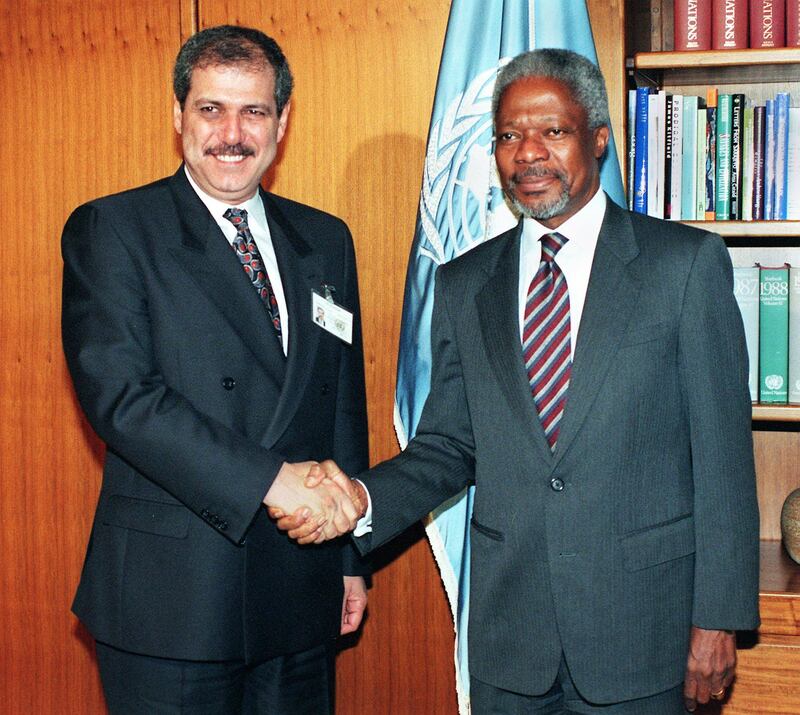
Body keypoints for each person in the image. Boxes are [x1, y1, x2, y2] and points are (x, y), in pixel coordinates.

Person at [272, 49, 760, 714]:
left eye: (552, 131)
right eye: (507, 135)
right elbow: (448, 446)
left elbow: (724, 460)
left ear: (597, 137)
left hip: (645, 631)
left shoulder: (684, 265)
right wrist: (359, 496)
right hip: (511, 641)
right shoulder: (465, 283)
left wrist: (718, 619)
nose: (527, 152)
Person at [61, 24, 368, 714]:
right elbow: (123, 400)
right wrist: (269, 480)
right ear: (178, 116)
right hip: (173, 601)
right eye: (211, 109)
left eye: (253, 111)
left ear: (282, 122)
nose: (232, 133)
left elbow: (342, 402)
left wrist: (350, 558)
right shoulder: (113, 230)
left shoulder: (325, 239)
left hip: (300, 585)